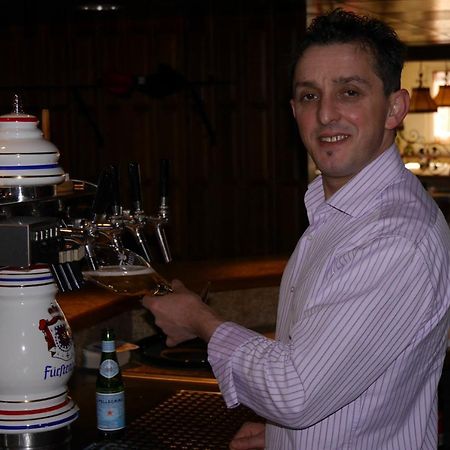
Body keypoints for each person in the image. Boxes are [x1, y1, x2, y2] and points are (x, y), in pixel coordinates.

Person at [142, 8, 450, 449]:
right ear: (293, 110)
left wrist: (199, 319)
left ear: (394, 109)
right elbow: (347, 372)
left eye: (349, 91)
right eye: (309, 96)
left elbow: (295, 392)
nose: (326, 114)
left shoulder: (394, 237)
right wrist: (285, 434)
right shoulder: (340, 213)